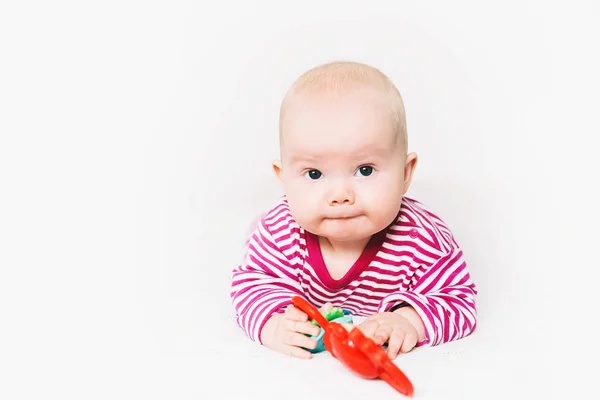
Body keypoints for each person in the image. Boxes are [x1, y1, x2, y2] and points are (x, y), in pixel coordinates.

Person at [230, 61, 477, 360]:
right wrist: (273, 325)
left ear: (405, 174)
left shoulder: (422, 239)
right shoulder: (279, 231)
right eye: (314, 174)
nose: (340, 196)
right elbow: (252, 285)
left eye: (365, 169)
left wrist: (409, 320)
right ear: (284, 179)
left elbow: (459, 300)